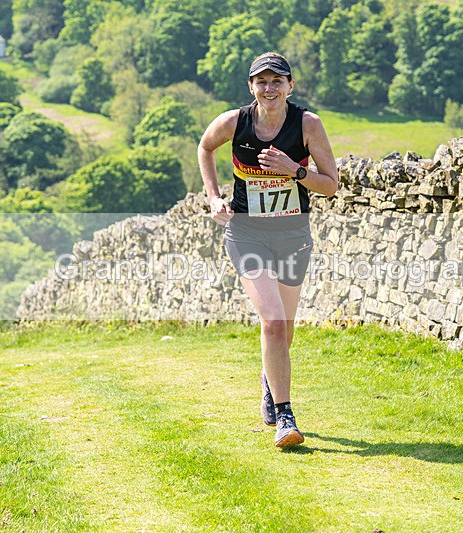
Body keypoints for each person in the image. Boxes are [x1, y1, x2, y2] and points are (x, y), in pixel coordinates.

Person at [197, 52, 338, 447]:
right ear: (251, 87)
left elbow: (330, 185)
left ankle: (268, 380)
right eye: (261, 81)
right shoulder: (234, 122)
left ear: (290, 86)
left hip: (293, 234)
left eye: (277, 81)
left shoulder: (307, 125)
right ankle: (285, 417)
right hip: (247, 233)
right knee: (273, 322)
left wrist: (292, 169)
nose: (269, 88)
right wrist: (213, 198)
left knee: (285, 330)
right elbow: (205, 148)